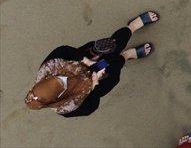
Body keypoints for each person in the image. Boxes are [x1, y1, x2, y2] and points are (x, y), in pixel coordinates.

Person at [25, 11, 158, 117]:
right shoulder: (67, 108)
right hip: (99, 82)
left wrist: (85, 59)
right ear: (56, 99)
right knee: (116, 65)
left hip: (87, 57)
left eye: (58, 77)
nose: (65, 78)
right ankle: (127, 56)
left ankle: (132, 26)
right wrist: (94, 85)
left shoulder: (47, 69)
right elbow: (90, 108)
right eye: (63, 84)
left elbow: (63, 50)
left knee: (114, 44)